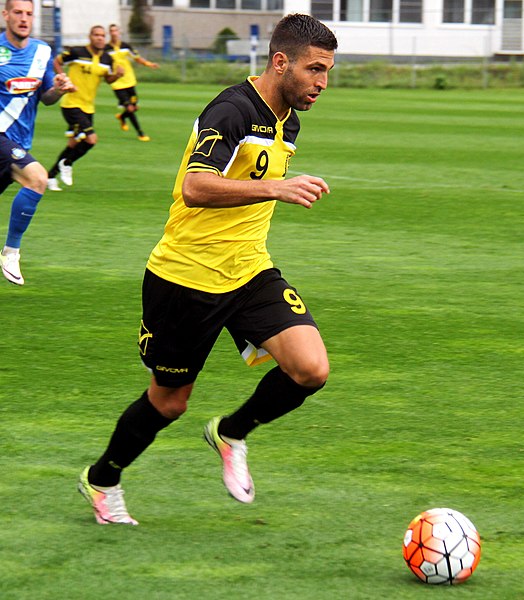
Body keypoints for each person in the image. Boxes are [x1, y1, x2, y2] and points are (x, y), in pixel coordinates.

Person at [78, 13, 338, 525]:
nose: (322, 83)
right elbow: (196, 187)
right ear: (280, 61)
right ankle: (102, 478)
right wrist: (275, 188)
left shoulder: (290, 120)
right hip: (185, 279)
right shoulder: (232, 109)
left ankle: (232, 432)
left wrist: (271, 191)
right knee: (170, 402)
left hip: (248, 272)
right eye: (314, 70)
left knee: (311, 369)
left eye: (328, 71)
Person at [0, 0, 75, 285]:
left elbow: (46, 97)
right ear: (6, 15)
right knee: (38, 178)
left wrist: (58, 89)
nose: (24, 18)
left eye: (29, 14)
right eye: (17, 12)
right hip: (1, 139)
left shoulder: (42, 52)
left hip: (18, 143)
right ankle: (11, 251)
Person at [46, 25, 123, 191]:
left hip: (88, 107)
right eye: (96, 35)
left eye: (102, 35)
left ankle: (50, 176)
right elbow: (56, 61)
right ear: (90, 36)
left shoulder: (107, 59)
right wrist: (63, 78)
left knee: (73, 144)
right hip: (71, 104)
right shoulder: (77, 52)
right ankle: (67, 163)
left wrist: (117, 75)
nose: (100, 38)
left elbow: (108, 79)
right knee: (91, 139)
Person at [106, 23, 159, 142]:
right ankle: (140, 133)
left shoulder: (125, 46)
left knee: (134, 107)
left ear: (119, 32)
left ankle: (122, 117)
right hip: (117, 83)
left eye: (116, 30)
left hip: (130, 81)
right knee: (129, 108)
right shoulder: (106, 49)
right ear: (109, 33)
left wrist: (149, 64)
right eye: (112, 31)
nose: (114, 33)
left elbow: (137, 58)